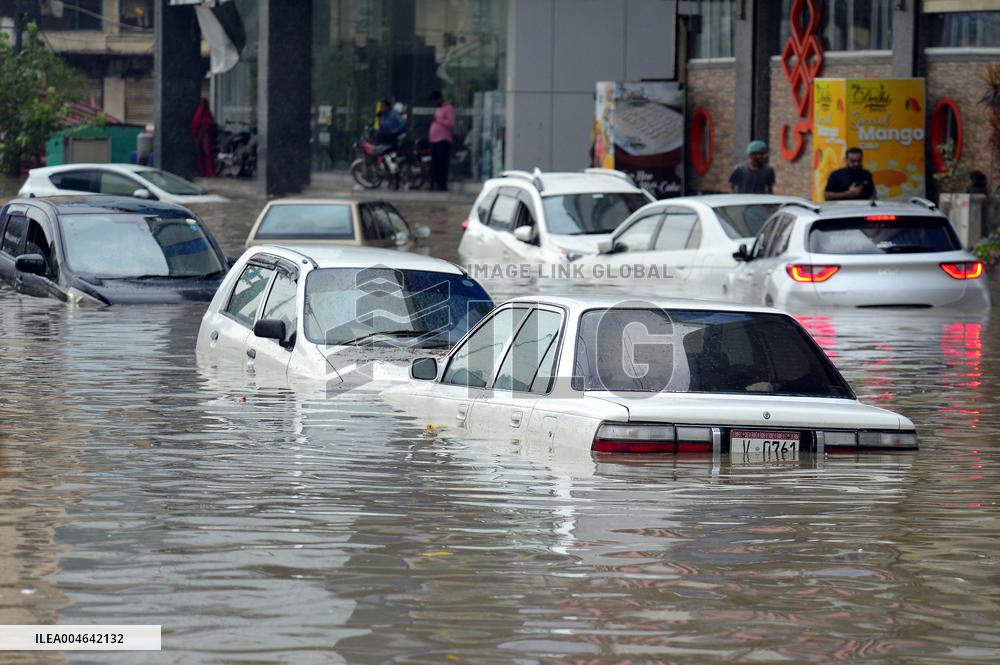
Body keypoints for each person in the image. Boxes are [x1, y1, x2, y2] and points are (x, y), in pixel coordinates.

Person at [428, 90, 455, 191]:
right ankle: (434, 183)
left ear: (439, 99)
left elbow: (450, 123)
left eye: (434, 101)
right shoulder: (438, 109)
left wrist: (438, 120)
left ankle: (442, 184)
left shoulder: (448, 108)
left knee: (442, 163)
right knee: (434, 163)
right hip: (434, 140)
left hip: (443, 139)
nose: (433, 103)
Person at [191, 97, 216, 178]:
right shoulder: (206, 113)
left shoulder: (202, 113)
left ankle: (206, 171)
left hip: (203, 136)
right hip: (204, 136)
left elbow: (196, 124)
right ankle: (207, 172)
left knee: (204, 154)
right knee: (205, 154)